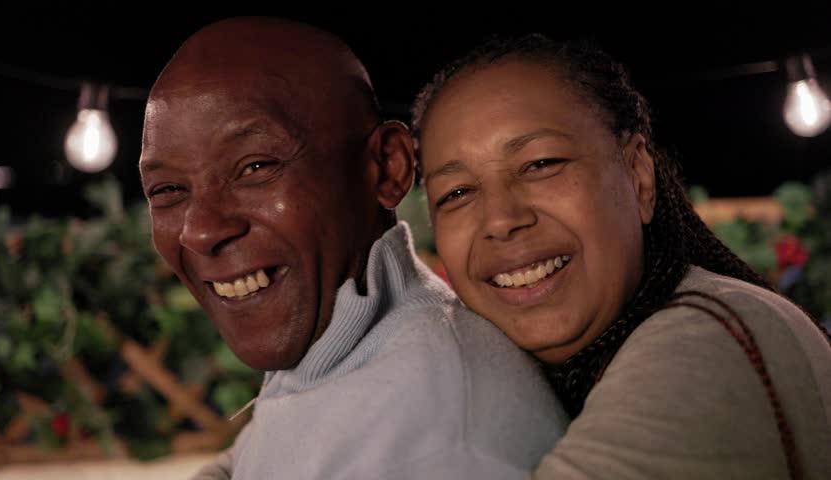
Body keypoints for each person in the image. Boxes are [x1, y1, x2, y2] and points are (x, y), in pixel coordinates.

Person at [139, 18, 567, 480]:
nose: (200, 231)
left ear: (386, 168)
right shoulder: (335, 346)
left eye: (256, 166)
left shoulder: (440, 441)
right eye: (167, 190)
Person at [411, 34, 831, 479]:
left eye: (541, 164)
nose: (500, 219)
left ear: (639, 175)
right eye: (456, 193)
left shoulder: (703, 347)